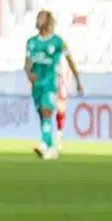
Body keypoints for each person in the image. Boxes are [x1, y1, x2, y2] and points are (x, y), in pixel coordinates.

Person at [25, 10, 82, 160]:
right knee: (42, 116)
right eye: (38, 18)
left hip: (50, 83)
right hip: (36, 84)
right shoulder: (31, 42)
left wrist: (78, 80)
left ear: (49, 22)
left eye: (42, 18)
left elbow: (69, 60)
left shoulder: (57, 41)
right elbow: (27, 63)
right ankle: (50, 148)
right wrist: (29, 73)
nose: (39, 20)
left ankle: (44, 144)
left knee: (46, 112)